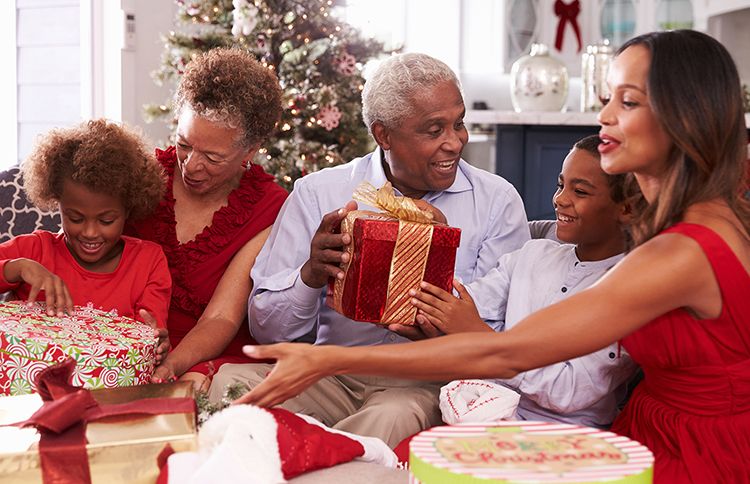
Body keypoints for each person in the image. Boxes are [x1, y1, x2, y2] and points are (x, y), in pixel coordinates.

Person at [236, 30, 750, 482]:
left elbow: (508, 352)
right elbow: (491, 329)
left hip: (696, 453)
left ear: (684, 118)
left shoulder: (685, 250)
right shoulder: (679, 229)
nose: (605, 116)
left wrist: (328, 358)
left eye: (629, 102)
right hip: (648, 431)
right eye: (608, 97)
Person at [208, 52, 531, 447]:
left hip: (424, 381)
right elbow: (268, 330)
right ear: (383, 135)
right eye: (434, 130)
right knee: (231, 385)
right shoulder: (319, 193)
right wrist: (311, 275)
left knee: (390, 417)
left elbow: (504, 334)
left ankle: (321, 460)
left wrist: (435, 266)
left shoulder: (497, 200)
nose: (455, 142)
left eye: (458, 123)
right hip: (332, 372)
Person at [413, 135, 640, 429]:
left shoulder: (631, 289)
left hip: (565, 440)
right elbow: (463, 306)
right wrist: (434, 245)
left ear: (626, 209)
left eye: (580, 191)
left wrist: (481, 337)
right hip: (482, 413)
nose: (560, 199)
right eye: (561, 185)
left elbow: (568, 390)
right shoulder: (532, 255)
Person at [125, 48, 288, 391]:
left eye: (213, 157)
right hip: (131, 346)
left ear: (250, 151)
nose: (192, 166)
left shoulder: (269, 209)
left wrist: (172, 365)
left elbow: (221, 317)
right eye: (184, 144)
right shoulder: (140, 178)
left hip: (212, 356)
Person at [0, 119, 171, 360]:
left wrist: (156, 344)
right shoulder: (33, 250)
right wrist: (16, 268)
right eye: (75, 218)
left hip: (109, 389)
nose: (90, 232)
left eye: (106, 220)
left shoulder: (148, 262)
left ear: (128, 211)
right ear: (57, 202)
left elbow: (148, 334)